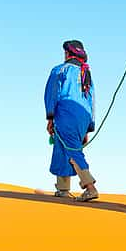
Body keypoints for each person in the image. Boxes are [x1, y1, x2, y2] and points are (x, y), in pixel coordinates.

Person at [44, 40, 99, 202]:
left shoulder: (60, 70)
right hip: (83, 117)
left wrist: (50, 117)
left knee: (72, 149)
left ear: (67, 53)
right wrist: (88, 127)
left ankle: (90, 187)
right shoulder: (85, 73)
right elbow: (91, 100)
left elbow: (51, 95)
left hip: (65, 114)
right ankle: (62, 189)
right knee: (62, 147)